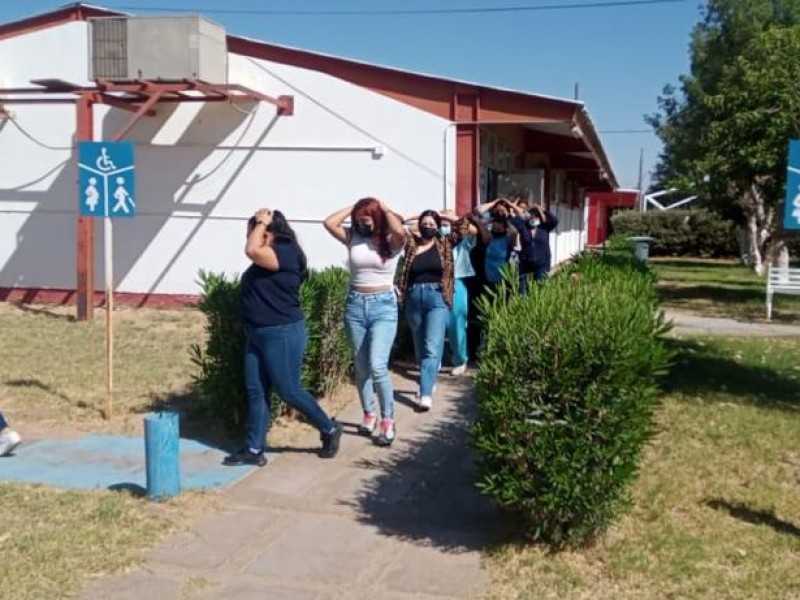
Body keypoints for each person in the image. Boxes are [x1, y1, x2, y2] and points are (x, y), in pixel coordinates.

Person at [224, 209, 343, 466]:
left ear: (270, 232)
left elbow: (251, 250)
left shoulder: (284, 253)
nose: (251, 236)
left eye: (256, 231)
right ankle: (254, 449)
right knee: (256, 391)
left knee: (289, 390)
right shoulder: (269, 258)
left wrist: (261, 222)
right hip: (257, 333)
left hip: (282, 332)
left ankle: (330, 428)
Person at [324, 198, 407, 446]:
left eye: (366, 219)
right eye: (358, 220)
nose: (361, 223)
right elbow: (329, 223)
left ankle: (388, 420)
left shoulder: (392, 241)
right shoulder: (353, 237)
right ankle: (368, 413)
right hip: (355, 305)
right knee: (361, 366)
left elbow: (400, 231)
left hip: (383, 306)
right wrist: (355, 205)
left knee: (377, 365)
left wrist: (383, 208)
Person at [396, 209, 475, 408]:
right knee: (420, 343)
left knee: (432, 344)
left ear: (438, 226)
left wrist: (446, 216)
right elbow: (398, 227)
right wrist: (414, 215)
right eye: (425, 223)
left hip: (438, 297)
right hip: (414, 296)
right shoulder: (411, 243)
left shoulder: (445, 243)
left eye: (432, 224)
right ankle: (429, 378)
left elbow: (463, 226)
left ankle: (425, 393)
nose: (428, 227)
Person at [445, 211, 480, 375]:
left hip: (458, 281)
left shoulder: (465, 241)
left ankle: (460, 359)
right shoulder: (439, 239)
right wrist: (436, 217)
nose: (446, 226)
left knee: (456, 324)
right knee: (437, 324)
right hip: (437, 282)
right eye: (443, 223)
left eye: (449, 222)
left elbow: (474, 231)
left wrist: (452, 217)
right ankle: (435, 360)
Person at [517, 202, 559, 289]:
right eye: (531, 214)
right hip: (525, 264)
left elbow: (555, 220)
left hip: (542, 264)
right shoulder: (523, 227)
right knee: (523, 291)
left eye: (536, 215)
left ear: (539, 217)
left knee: (540, 289)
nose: (533, 217)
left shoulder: (544, 227)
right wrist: (525, 211)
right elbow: (514, 221)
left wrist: (542, 209)